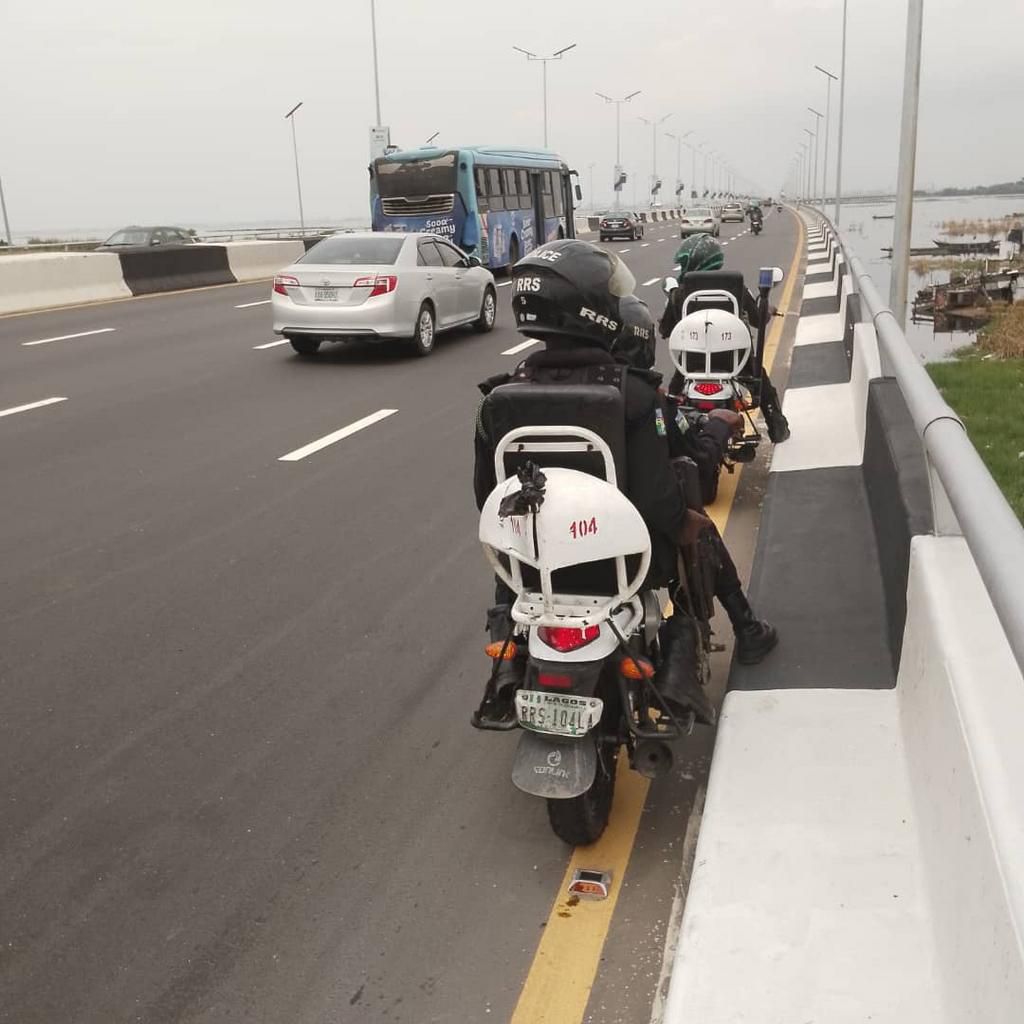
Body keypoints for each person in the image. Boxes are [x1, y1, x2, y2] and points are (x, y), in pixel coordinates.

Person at [473, 240, 716, 726]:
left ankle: (505, 671)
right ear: (591, 308)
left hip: (538, 567)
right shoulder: (634, 395)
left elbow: (489, 498)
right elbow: (656, 500)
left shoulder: (499, 398)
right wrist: (685, 522)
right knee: (696, 535)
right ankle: (689, 668)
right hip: (624, 566)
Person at [613, 297, 778, 666]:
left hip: (541, 553)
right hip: (635, 541)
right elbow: (700, 461)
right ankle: (745, 628)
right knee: (697, 527)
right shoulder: (643, 398)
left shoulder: (507, 393)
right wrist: (718, 425)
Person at [658, 233, 790, 443]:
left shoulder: (680, 293)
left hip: (692, 363)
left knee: (671, 399)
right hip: (736, 360)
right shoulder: (736, 288)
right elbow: (757, 319)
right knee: (762, 383)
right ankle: (777, 428)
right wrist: (766, 310)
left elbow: (665, 331)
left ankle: (665, 438)